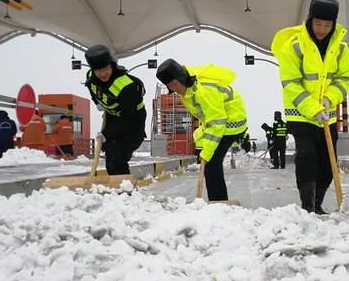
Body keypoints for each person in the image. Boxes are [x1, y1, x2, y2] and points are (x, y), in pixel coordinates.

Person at [271, 0, 349, 214]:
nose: (322, 29)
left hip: (327, 114)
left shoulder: (341, 48)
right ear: (310, 19)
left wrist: (330, 98)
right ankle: (307, 205)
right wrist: (312, 108)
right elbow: (291, 83)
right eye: (318, 23)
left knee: (328, 162)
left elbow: (346, 79)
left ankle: (318, 203)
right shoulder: (294, 46)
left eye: (328, 25)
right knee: (307, 157)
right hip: (300, 114)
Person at [156, 59, 247, 202]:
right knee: (206, 157)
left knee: (211, 161)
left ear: (181, 77)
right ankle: (216, 200)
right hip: (216, 121)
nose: (173, 88)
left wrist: (207, 152)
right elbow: (209, 118)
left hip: (231, 123)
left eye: (174, 83)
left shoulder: (203, 91)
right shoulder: (188, 87)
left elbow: (217, 122)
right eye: (169, 86)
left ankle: (219, 202)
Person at [84, 44, 147, 175]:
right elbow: (93, 90)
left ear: (112, 65)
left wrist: (107, 133)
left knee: (118, 160)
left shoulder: (127, 86)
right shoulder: (91, 77)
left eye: (105, 69)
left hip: (133, 123)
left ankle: (126, 192)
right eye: (98, 71)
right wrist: (98, 102)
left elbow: (129, 117)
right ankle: (116, 192)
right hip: (113, 118)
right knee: (110, 160)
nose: (102, 74)